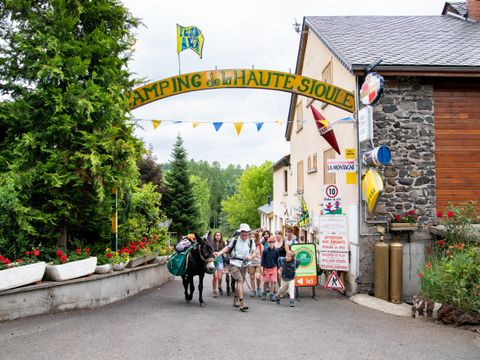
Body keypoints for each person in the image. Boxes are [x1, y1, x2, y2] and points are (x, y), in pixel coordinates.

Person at [213, 223, 255, 312]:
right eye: (243, 232)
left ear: (248, 232)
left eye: (246, 232)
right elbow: (228, 248)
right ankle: (242, 302)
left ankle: (236, 299)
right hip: (234, 263)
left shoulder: (251, 241)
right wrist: (219, 253)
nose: (245, 234)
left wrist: (250, 256)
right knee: (240, 280)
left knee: (240, 283)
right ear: (240, 232)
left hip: (244, 264)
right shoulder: (235, 239)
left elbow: (254, 252)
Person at [261, 236, 279, 302]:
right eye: (270, 242)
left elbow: (277, 260)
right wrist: (262, 269)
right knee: (266, 282)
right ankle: (264, 292)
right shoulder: (265, 251)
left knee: (273, 281)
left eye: (272, 242)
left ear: (274, 243)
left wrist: (278, 268)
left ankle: (271, 294)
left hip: (274, 267)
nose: (271, 244)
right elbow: (262, 261)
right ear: (268, 243)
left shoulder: (276, 250)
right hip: (266, 268)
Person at [248, 231, 263, 297]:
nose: (252, 238)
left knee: (257, 277)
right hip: (251, 263)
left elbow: (263, 255)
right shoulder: (248, 245)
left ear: (257, 238)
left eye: (253, 237)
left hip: (258, 263)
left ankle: (258, 288)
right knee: (251, 277)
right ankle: (253, 290)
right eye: (251, 237)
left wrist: (263, 265)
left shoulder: (260, 246)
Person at [211, 231, 225, 297]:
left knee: (220, 278)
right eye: (216, 235)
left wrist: (222, 253)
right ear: (214, 236)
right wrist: (212, 253)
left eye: (219, 235)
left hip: (220, 261)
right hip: (213, 261)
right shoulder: (211, 243)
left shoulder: (223, 242)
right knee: (215, 277)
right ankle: (214, 290)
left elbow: (225, 251)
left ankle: (219, 286)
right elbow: (208, 251)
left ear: (221, 236)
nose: (218, 236)